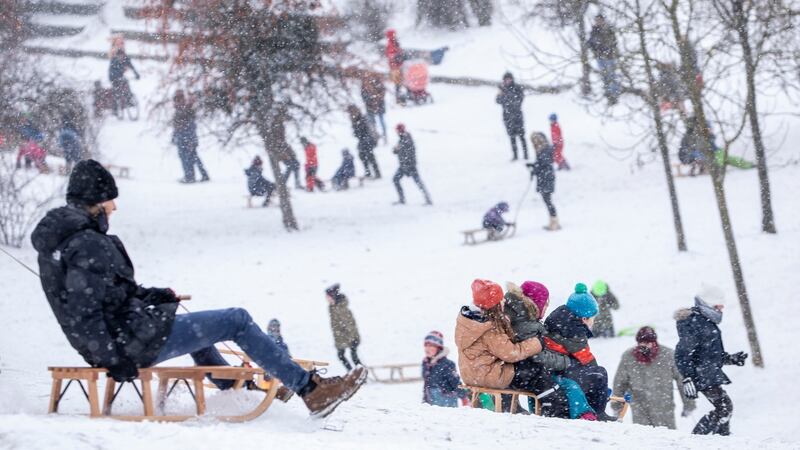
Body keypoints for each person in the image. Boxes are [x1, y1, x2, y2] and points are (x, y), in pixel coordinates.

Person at [30, 160, 366, 418]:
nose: (114, 208)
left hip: (128, 335)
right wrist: (113, 358)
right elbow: (84, 313)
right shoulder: (86, 243)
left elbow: (107, 295)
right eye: (110, 201)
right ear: (95, 202)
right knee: (237, 319)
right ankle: (310, 390)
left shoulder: (70, 242)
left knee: (199, 329)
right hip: (127, 344)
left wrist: (151, 296)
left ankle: (241, 390)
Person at [455, 279, 569, 417]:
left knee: (517, 369)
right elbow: (511, 353)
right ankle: (555, 409)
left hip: (471, 374)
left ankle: (510, 406)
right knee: (535, 372)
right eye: (500, 300)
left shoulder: (468, 321)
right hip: (489, 376)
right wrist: (537, 343)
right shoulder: (490, 328)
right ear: (494, 305)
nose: (504, 303)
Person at [505, 281, 596, 420]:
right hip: (526, 371)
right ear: (536, 304)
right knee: (564, 388)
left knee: (555, 385)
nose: (547, 307)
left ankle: (566, 414)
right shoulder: (526, 324)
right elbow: (536, 355)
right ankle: (574, 416)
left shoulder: (523, 319)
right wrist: (565, 362)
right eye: (545, 303)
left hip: (526, 370)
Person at [675, 292, 748, 436]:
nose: (721, 310)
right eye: (718, 307)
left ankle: (720, 437)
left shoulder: (706, 322)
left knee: (724, 408)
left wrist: (731, 359)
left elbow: (710, 355)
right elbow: (682, 353)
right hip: (702, 374)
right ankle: (699, 438)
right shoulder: (696, 322)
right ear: (708, 305)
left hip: (708, 372)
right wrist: (688, 377)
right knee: (724, 408)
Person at [544, 283, 616, 421]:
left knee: (588, 373)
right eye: (593, 319)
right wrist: (601, 388)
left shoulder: (561, 316)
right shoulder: (575, 331)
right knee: (599, 373)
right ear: (584, 318)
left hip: (553, 368)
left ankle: (589, 408)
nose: (593, 323)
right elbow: (587, 359)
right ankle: (599, 412)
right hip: (558, 371)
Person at [612, 326, 695, 429]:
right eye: (642, 342)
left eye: (648, 342)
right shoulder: (629, 357)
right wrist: (617, 406)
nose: (645, 345)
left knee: (668, 439)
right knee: (645, 439)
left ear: (654, 342)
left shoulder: (668, 355)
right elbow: (619, 383)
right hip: (640, 407)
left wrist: (689, 404)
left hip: (664, 407)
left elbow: (681, 380)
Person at [422, 331, 467, 408]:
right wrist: (425, 400)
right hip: (431, 402)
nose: (427, 348)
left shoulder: (447, 364)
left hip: (447, 403)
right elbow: (427, 384)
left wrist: (464, 397)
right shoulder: (426, 363)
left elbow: (455, 382)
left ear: (438, 348)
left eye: (431, 346)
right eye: (426, 345)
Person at [172, 90, 209, 183]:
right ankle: (200, 175)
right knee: (192, 157)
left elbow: (190, 126)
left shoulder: (186, 111)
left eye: (178, 99)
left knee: (187, 157)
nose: (176, 102)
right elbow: (177, 127)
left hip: (186, 138)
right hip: (184, 138)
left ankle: (190, 176)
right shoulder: (182, 110)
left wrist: (190, 140)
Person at [392, 124, 432, 206]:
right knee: (396, 180)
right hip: (404, 165)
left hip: (410, 165)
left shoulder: (406, 139)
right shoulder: (402, 139)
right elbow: (396, 151)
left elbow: (408, 152)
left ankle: (428, 199)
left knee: (418, 182)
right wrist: (396, 149)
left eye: (397, 130)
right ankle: (402, 199)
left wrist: (399, 150)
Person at [526, 132, 559, 231]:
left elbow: (543, 164)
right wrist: (533, 166)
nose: (534, 144)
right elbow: (541, 163)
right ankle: (553, 220)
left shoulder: (544, 150)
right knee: (547, 201)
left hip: (546, 178)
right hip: (544, 178)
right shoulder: (543, 150)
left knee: (548, 201)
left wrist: (534, 168)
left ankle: (554, 222)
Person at [326, 284, 362, 370]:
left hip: (349, 337)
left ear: (333, 296)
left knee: (351, 356)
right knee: (343, 356)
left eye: (328, 297)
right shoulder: (333, 307)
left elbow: (349, 324)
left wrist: (353, 338)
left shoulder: (340, 308)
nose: (327, 299)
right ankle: (353, 373)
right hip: (341, 337)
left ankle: (358, 374)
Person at [587, 14, 621, 105]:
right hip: (600, 57)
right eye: (596, 20)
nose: (598, 22)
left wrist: (608, 49)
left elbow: (613, 42)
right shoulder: (594, 30)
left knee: (612, 75)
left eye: (599, 20)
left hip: (609, 56)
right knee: (604, 76)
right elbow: (590, 42)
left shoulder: (608, 29)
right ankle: (608, 93)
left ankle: (614, 94)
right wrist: (595, 49)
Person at [495, 72, 528, 161]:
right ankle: (515, 155)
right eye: (506, 79)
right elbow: (497, 101)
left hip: (517, 116)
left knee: (522, 136)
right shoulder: (502, 89)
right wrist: (501, 94)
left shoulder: (517, 88)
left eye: (509, 79)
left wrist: (508, 98)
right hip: (507, 117)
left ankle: (525, 155)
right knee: (512, 137)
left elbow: (520, 99)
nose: (508, 81)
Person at [108, 37, 140, 115]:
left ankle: (129, 100)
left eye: (122, 56)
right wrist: (120, 71)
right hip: (113, 76)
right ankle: (115, 109)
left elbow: (131, 66)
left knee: (126, 85)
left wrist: (136, 73)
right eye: (120, 56)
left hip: (121, 76)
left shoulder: (126, 58)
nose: (121, 57)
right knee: (116, 91)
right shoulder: (114, 59)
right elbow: (112, 70)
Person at [347, 105, 380, 179]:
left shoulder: (362, 118)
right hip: (362, 140)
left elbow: (366, 130)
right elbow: (357, 132)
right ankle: (368, 172)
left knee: (370, 156)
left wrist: (358, 132)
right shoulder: (354, 120)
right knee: (362, 156)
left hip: (368, 139)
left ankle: (377, 173)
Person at [361, 72, 387, 141]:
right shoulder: (364, 86)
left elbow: (382, 93)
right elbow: (364, 97)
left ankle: (384, 136)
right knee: (372, 123)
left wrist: (376, 100)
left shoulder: (377, 83)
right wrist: (371, 101)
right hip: (370, 107)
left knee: (381, 121)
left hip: (379, 105)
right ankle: (375, 137)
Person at [385, 29, 405, 103]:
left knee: (400, 82)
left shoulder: (395, 42)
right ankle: (399, 99)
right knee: (398, 83)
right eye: (394, 34)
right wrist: (397, 55)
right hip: (395, 66)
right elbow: (390, 55)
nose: (395, 36)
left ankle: (400, 97)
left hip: (398, 65)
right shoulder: (391, 43)